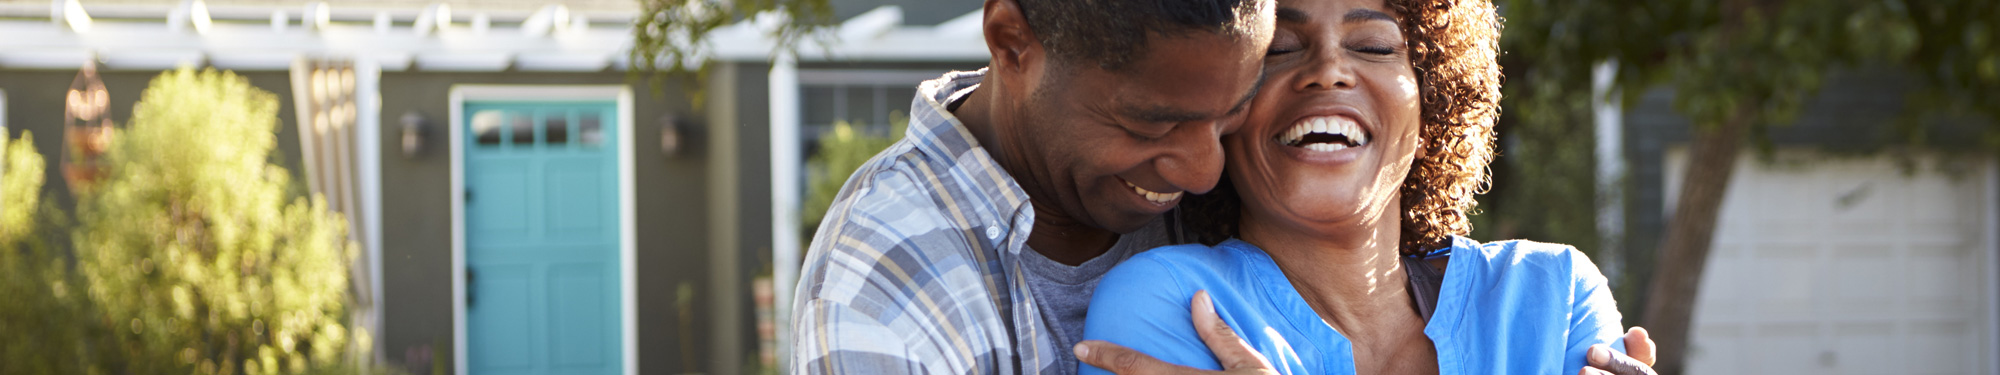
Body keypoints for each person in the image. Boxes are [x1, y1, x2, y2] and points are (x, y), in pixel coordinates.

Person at [1077, 0, 1648, 374]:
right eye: (1278, 50)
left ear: (1432, 109)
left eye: (1374, 46)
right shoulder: (1166, 304)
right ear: (1225, 113)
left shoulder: (1553, 295)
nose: (1328, 69)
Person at [789, 0, 1275, 373]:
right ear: (1011, 44)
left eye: (1232, 111)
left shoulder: (1267, 177)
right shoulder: (877, 293)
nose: (1204, 173)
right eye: (1152, 126)